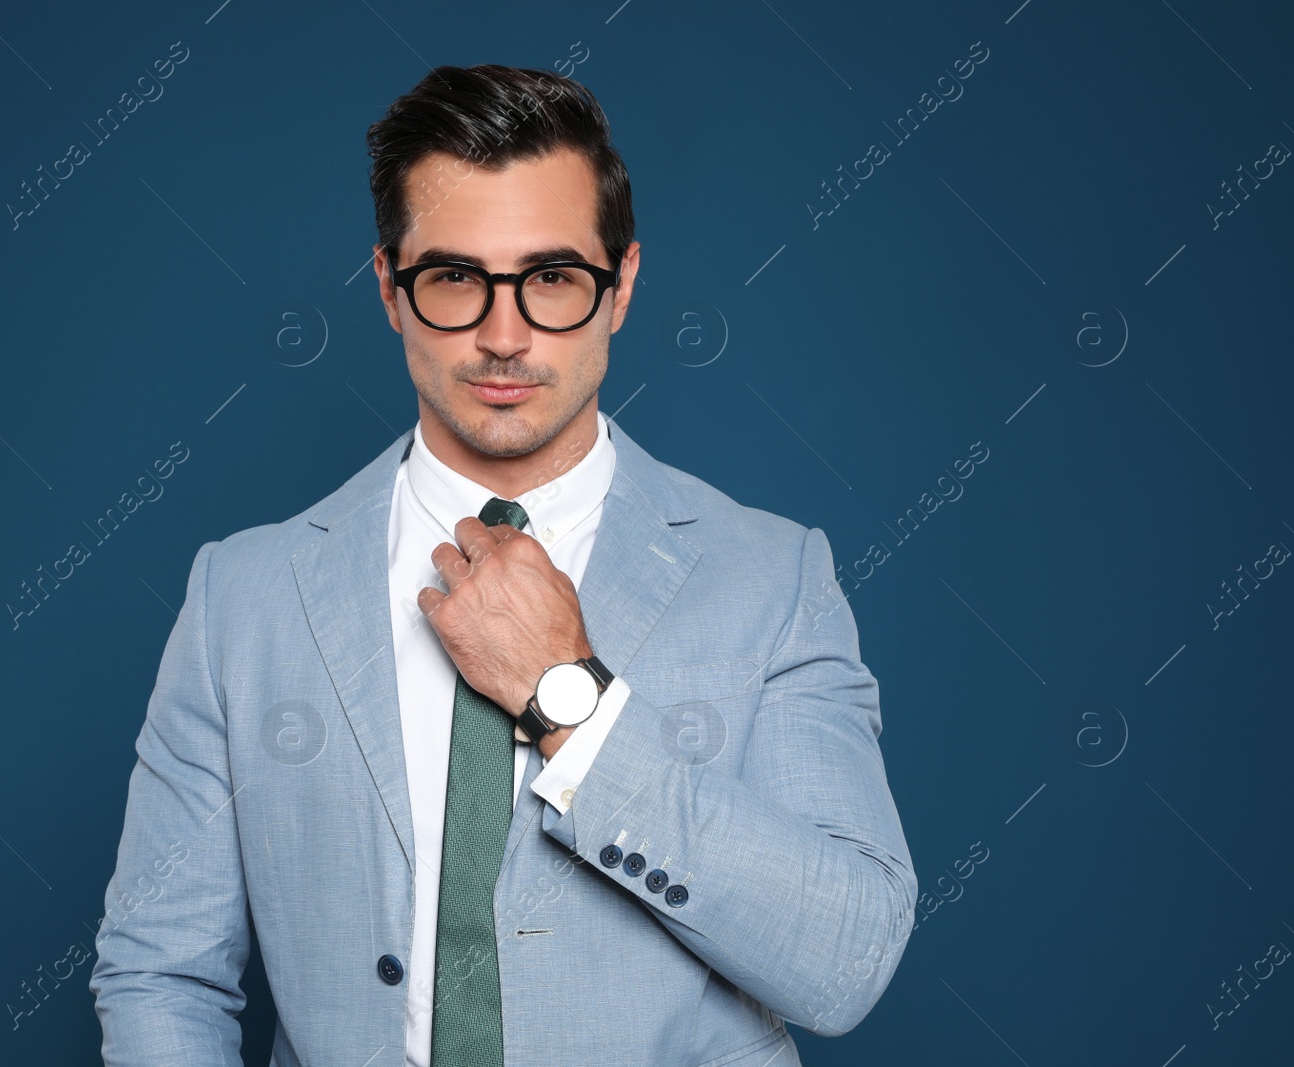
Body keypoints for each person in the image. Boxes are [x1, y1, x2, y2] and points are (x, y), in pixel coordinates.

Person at [90, 63, 915, 1067]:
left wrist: (570, 702)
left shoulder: (772, 579)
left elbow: (846, 956)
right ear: (391, 289)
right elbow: (159, 967)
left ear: (622, 287)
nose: (504, 333)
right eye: (454, 278)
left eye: (553, 278)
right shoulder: (243, 597)